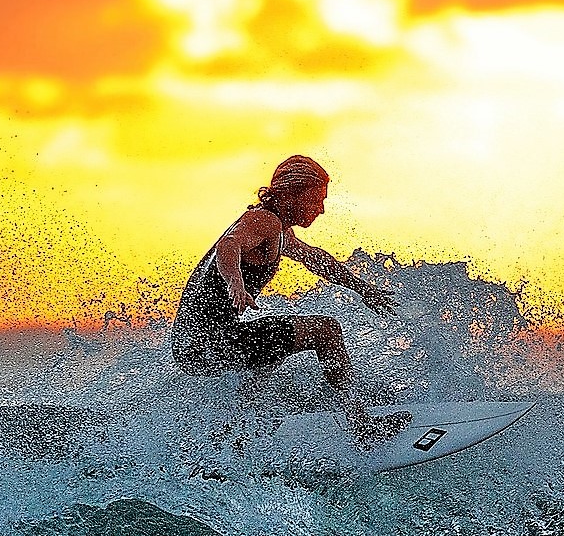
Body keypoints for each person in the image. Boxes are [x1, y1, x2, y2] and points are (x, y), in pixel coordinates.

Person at [171, 155, 411, 443]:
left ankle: (232, 441)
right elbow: (228, 244)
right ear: (292, 193)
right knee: (326, 331)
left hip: (193, 347)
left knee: (270, 353)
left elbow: (316, 259)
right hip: (208, 343)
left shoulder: (279, 230)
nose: (321, 210)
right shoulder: (264, 221)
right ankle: (362, 426)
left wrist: (363, 289)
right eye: (316, 200)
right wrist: (235, 281)